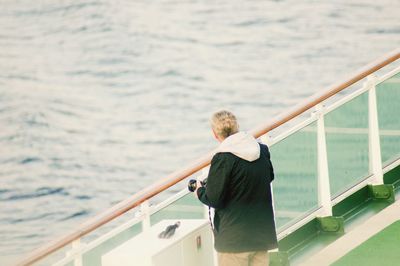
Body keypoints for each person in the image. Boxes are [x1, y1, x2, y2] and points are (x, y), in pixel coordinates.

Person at [195, 110, 277, 266]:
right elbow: (269, 176)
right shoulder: (262, 150)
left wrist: (199, 190)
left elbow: (214, 198)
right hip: (261, 235)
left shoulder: (223, 158)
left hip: (234, 239)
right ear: (237, 127)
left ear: (214, 134)